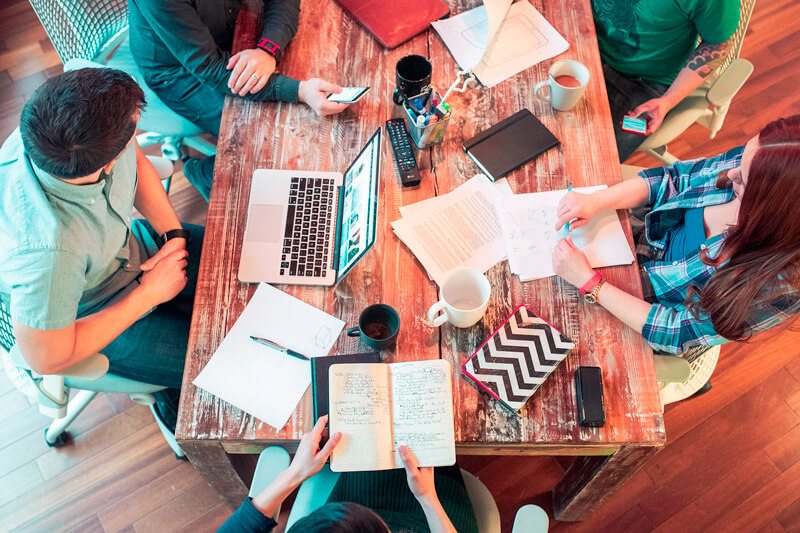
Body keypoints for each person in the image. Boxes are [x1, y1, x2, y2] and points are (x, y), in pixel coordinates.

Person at [0, 68, 203, 430]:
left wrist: (172, 233)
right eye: (134, 131)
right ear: (106, 161)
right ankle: (173, 399)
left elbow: (137, 163)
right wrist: (148, 294)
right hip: (97, 315)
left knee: (245, 273)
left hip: (132, 250)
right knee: (217, 360)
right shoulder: (49, 254)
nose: (135, 137)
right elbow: (46, 358)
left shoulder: (69, 125)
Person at [551, 115, 800, 355]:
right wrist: (597, 200)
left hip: (643, 312)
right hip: (638, 235)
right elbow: (676, 178)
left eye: (743, 181)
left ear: (773, 213)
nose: (731, 173)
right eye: (741, 159)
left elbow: (676, 331)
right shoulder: (760, 157)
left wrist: (591, 284)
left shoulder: (780, 286)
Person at [128, 0, 349, 200]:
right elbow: (211, 68)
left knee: (294, 129)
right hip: (180, 71)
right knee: (264, 144)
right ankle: (203, 173)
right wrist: (300, 91)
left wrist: (268, 50)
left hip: (230, 36)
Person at [217, 416, 479, 533]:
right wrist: (427, 498)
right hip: (433, 516)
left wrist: (295, 473)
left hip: (357, 503)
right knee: (442, 435)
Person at [592, 0, 740, 161]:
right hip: (585, 34)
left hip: (645, 81)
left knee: (594, 159)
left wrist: (669, 99)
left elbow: (717, 45)